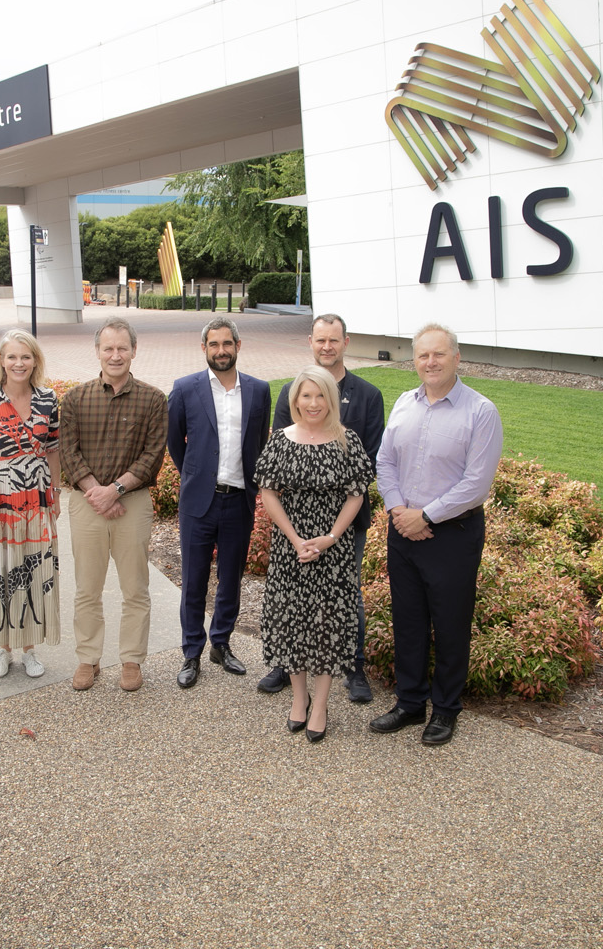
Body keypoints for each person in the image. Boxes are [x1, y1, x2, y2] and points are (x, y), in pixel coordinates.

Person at [370, 323, 503, 746]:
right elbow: (384, 461)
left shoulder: (481, 412)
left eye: (439, 354)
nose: (430, 362)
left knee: (450, 624)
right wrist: (397, 510)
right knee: (407, 622)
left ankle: (445, 710)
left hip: (453, 535)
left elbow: (476, 484)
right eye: (423, 354)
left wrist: (425, 515)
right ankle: (409, 703)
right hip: (402, 529)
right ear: (415, 358)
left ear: (457, 357)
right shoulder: (404, 404)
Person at [257, 314, 385, 703]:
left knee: (341, 601)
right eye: (320, 340)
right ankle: (287, 667)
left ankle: (353, 669)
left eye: (334, 340)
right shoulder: (289, 396)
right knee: (292, 604)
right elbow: (279, 465)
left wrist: (331, 534)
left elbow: (370, 462)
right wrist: (296, 536)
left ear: (345, 342)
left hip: (343, 528)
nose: (326, 346)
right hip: (292, 531)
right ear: (310, 342)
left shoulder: (368, 395)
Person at [59, 317, 168, 693]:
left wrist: (116, 490)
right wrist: (98, 492)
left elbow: (153, 455)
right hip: (87, 503)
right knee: (87, 588)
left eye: (123, 348)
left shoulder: (153, 400)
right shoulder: (75, 399)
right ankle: (88, 659)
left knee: (134, 588)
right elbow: (67, 452)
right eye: (108, 348)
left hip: (132, 505)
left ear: (134, 351)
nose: (116, 355)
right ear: (98, 351)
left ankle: (131, 660)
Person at [166, 317, 272, 689]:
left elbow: (259, 444)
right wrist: (196, 475)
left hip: (238, 500)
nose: (221, 350)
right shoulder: (184, 389)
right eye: (214, 344)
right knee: (193, 579)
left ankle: (221, 643)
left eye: (227, 343)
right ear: (204, 348)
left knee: (231, 578)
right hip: (199, 501)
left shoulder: (259, 391)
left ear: (238, 346)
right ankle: (192, 651)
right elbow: (175, 444)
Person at [0, 329, 62, 679]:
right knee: (1, 574)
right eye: (12, 357)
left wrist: (55, 493)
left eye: (26, 356)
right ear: (2, 362)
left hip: (36, 501)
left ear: (34, 360)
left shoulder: (48, 400)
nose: (19, 363)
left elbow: (53, 449)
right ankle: (2, 649)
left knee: (34, 572)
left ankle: (30, 648)